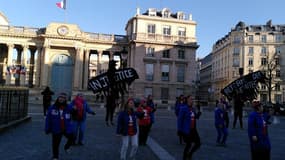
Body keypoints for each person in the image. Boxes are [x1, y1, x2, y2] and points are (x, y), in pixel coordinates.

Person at [45, 93, 74, 160]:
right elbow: (48, 119)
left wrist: (75, 110)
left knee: (72, 137)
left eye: (63, 97)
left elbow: (74, 114)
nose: (61, 98)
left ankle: (66, 147)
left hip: (66, 128)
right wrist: (47, 128)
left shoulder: (68, 107)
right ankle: (55, 156)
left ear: (65, 99)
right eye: (60, 97)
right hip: (56, 128)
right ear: (58, 98)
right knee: (55, 144)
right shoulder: (52, 107)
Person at [177, 95, 202, 160]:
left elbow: (195, 117)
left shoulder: (193, 108)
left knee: (198, 143)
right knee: (188, 145)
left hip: (193, 129)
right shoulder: (183, 108)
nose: (192, 100)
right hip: (186, 130)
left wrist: (198, 114)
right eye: (191, 99)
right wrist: (179, 130)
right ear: (187, 100)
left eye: (193, 99)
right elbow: (180, 120)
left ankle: (190, 154)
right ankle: (185, 157)